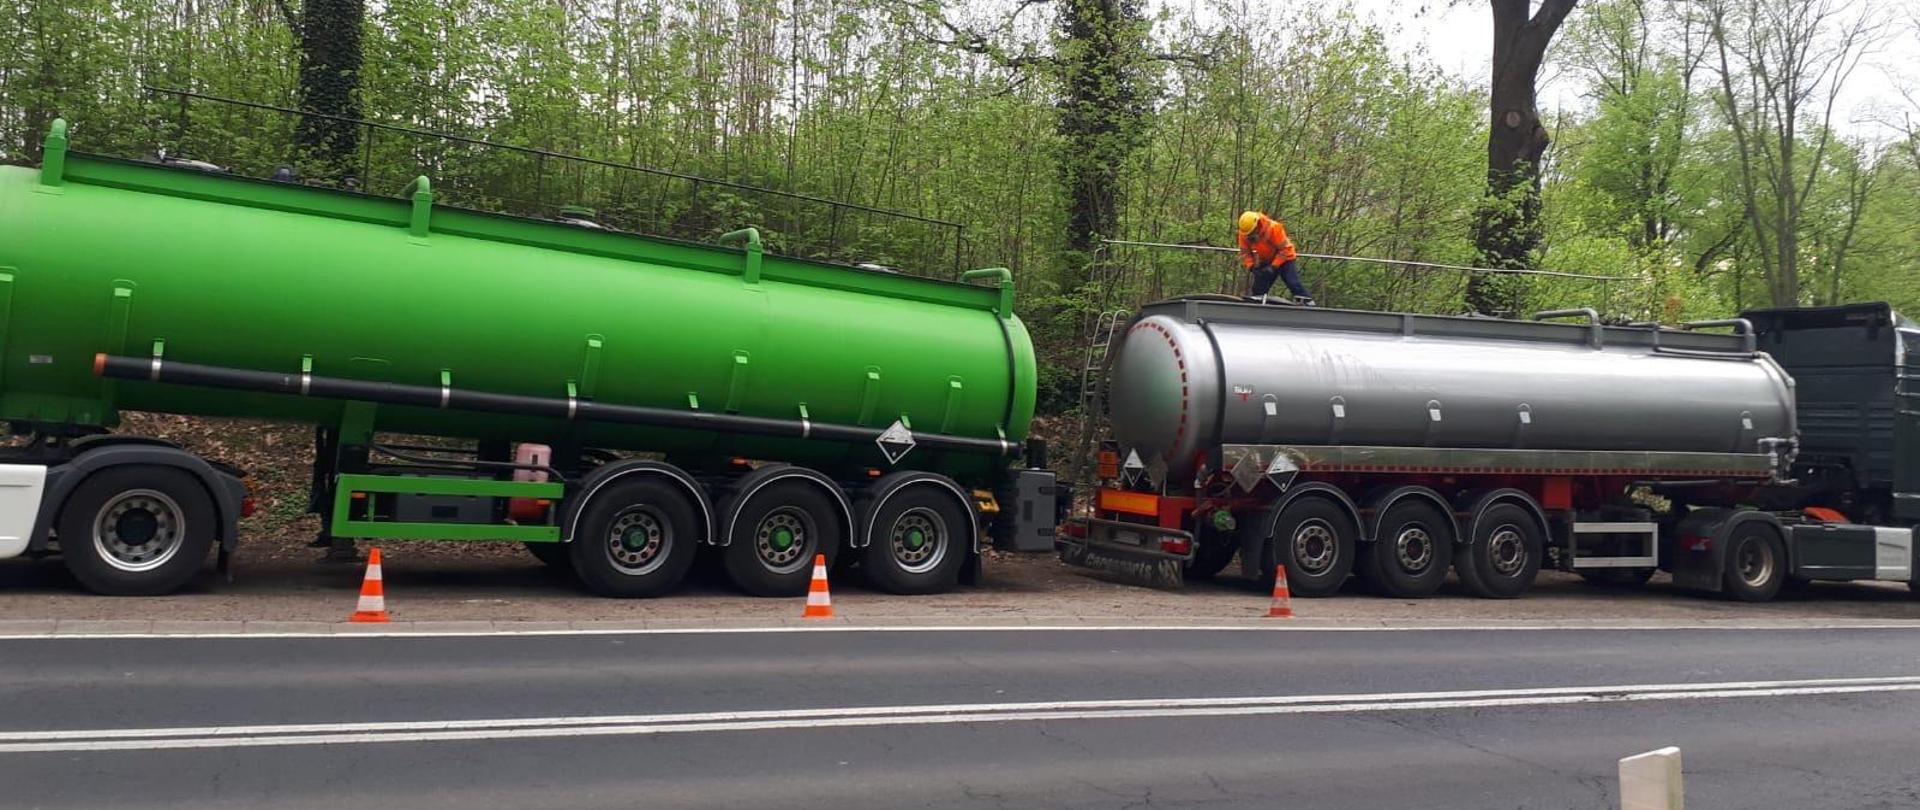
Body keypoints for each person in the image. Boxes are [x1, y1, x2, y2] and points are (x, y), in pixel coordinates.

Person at [1236, 210, 1313, 305]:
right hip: (1265, 259)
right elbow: (1245, 253)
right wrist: (1251, 266)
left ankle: (1307, 302)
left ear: (1257, 225)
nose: (1250, 236)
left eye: (1251, 233)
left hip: (1285, 258)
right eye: (1248, 234)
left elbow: (1285, 249)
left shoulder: (1273, 228)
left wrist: (1273, 266)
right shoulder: (1244, 234)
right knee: (1259, 288)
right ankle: (1257, 308)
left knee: (1292, 282)